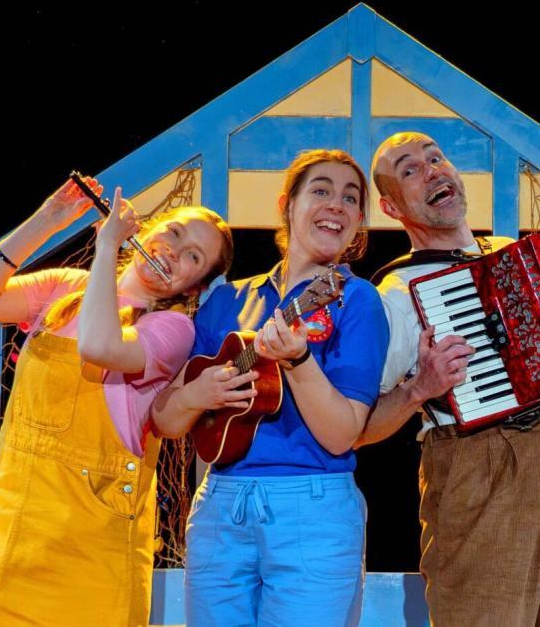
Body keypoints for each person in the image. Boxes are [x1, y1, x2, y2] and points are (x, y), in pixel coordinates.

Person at [358, 132, 540, 626]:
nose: (433, 170)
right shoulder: (396, 292)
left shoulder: (515, 252)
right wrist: (418, 390)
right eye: (409, 170)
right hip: (475, 459)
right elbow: (360, 427)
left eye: (436, 158)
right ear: (391, 207)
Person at [0, 177, 233, 626]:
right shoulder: (65, 290)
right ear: (147, 230)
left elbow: (99, 346)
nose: (174, 250)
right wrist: (47, 221)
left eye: (193, 256)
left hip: (91, 546)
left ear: (193, 287)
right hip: (13, 528)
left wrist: (107, 250)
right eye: (173, 233)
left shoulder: (171, 330)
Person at [152, 149, 389, 627]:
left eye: (350, 198)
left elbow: (342, 433)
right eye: (320, 190)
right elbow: (165, 418)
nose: (336, 205)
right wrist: (199, 396)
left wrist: (299, 360)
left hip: (313, 509)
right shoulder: (226, 299)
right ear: (287, 204)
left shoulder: (355, 298)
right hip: (220, 502)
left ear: (359, 220)